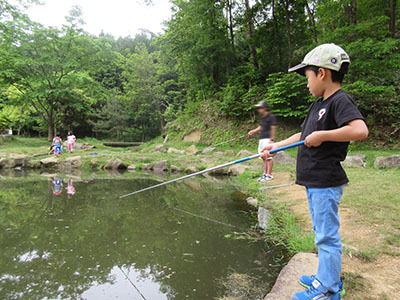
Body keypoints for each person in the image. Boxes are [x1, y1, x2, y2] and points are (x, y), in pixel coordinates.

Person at [262, 44, 369, 300]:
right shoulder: (317, 104)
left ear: (322, 73)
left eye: (307, 76)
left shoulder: (339, 101)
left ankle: (328, 288)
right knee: (321, 232)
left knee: (326, 236)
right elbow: (303, 135)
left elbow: (360, 130)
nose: (306, 83)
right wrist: (277, 145)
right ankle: (325, 276)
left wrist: (324, 135)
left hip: (325, 180)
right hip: (314, 181)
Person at [248, 100, 277, 182]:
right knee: (263, 157)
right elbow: (260, 127)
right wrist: (253, 131)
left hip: (267, 140)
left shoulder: (271, 117)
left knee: (268, 157)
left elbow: (273, 128)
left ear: (264, 108)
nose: (259, 109)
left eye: (260, 108)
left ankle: (269, 174)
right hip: (261, 139)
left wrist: (272, 139)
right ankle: (264, 173)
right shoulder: (263, 118)